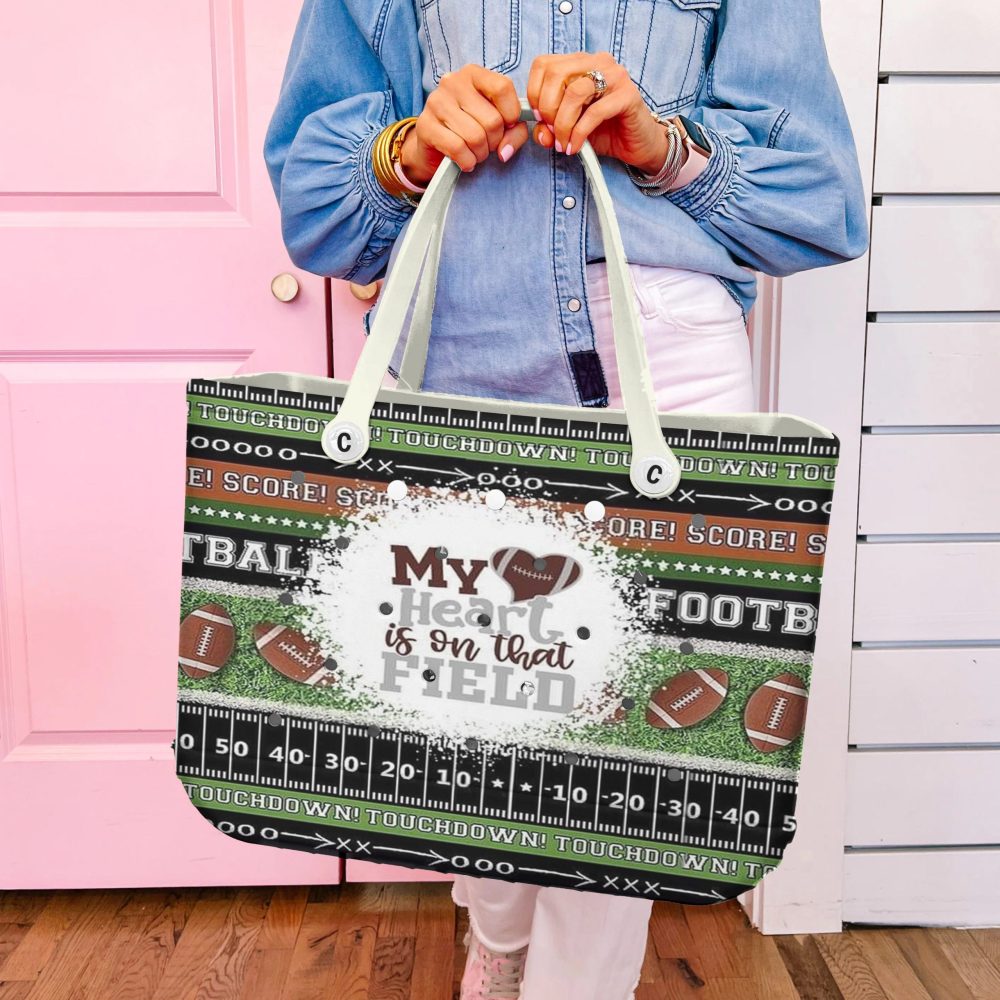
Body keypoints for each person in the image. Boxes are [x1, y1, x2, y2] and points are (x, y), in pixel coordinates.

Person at [265, 2, 867, 997]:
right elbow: (314, 209)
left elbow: (820, 198)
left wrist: (665, 146)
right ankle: (497, 933)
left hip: (663, 364)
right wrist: (407, 151)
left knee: (623, 764)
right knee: (469, 722)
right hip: (454, 348)